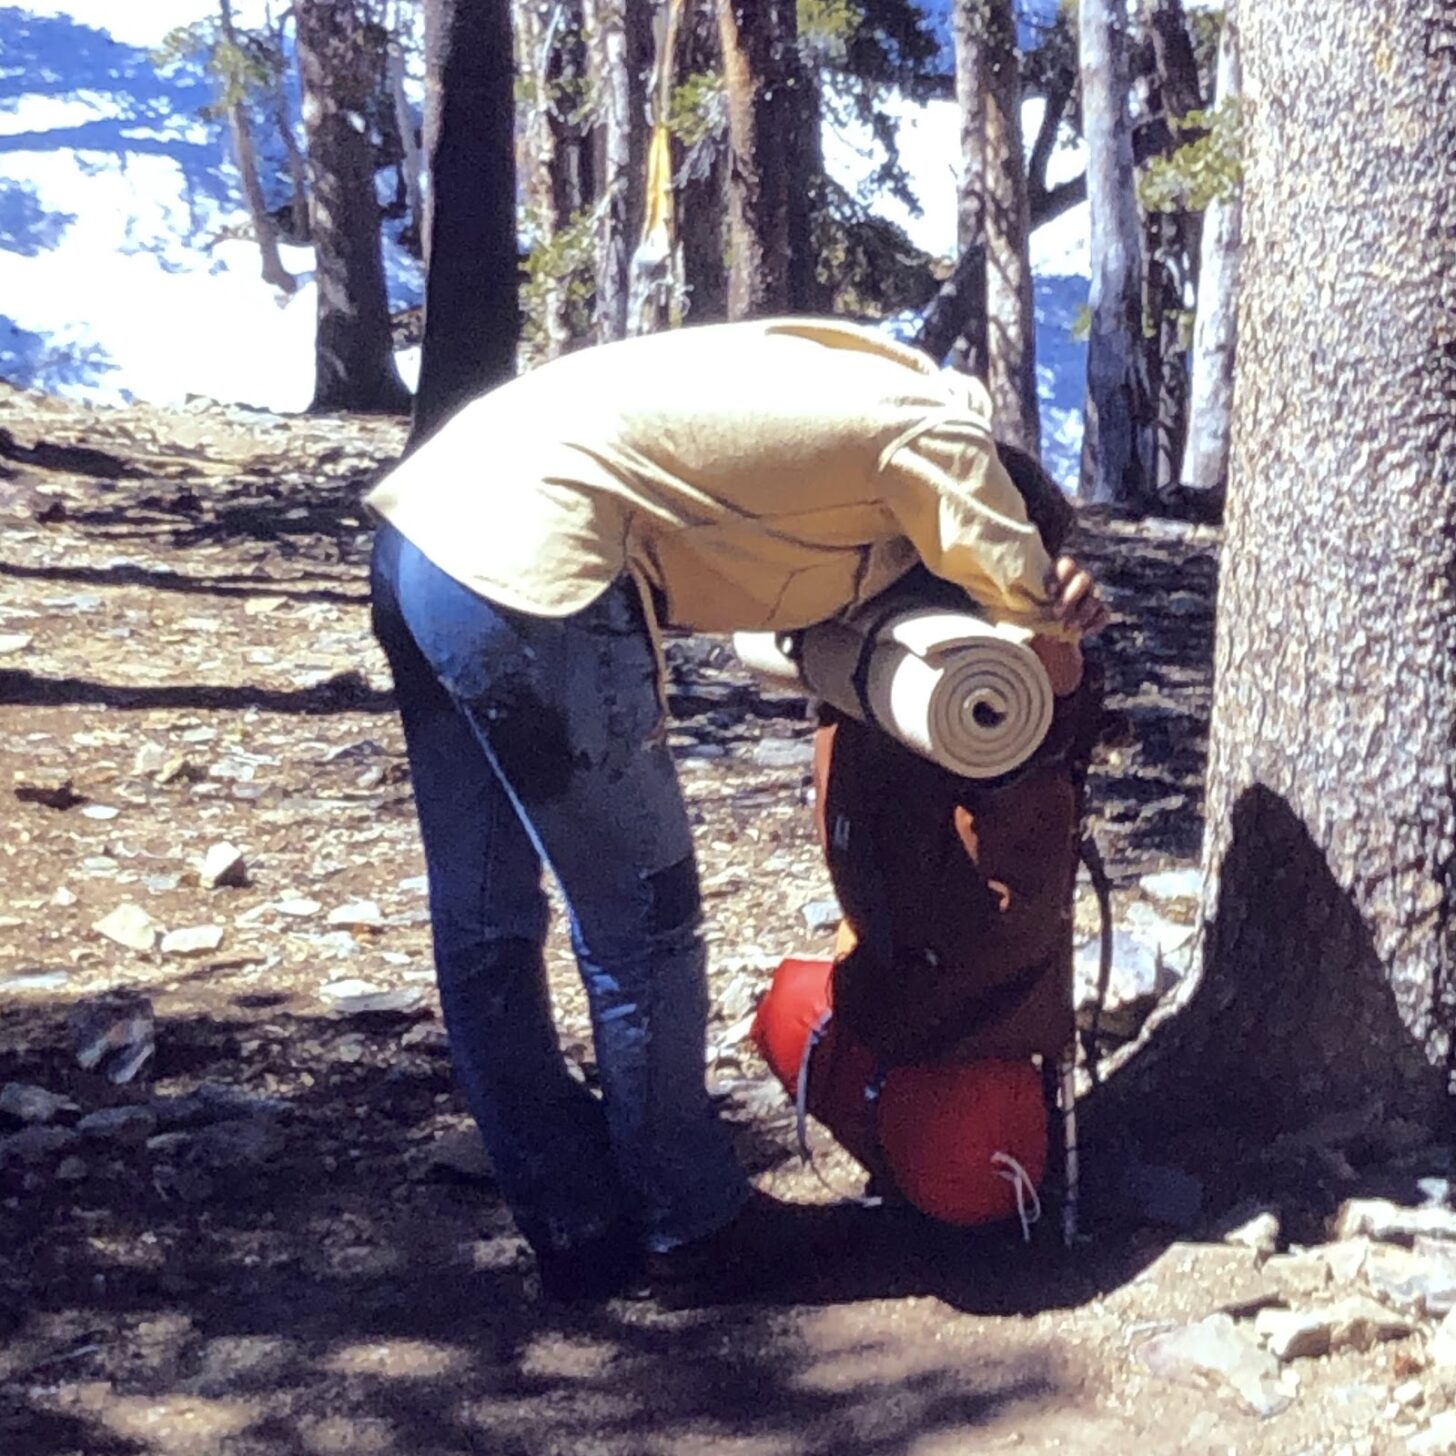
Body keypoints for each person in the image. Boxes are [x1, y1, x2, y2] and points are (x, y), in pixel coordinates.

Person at [365, 316, 1108, 1302]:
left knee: (485, 916)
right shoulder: (943, 444)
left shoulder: (865, 394)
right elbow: (1047, 665)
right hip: (536, 568)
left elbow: (795, 603)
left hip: (427, 526)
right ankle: (691, 1223)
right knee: (643, 920)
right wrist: (1052, 613)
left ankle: (574, 1219)